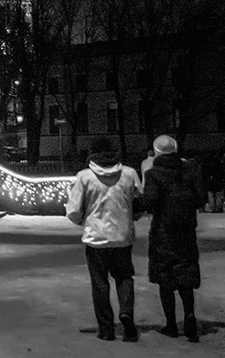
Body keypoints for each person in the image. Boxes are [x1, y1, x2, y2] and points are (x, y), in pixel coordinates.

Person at [66, 137, 142, 342]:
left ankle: (106, 328)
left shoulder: (84, 177)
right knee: (124, 277)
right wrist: (130, 216)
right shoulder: (129, 173)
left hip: (95, 238)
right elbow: (139, 203)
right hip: (122, 237)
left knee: (99, 283)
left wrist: (85, 220)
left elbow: (73, 211)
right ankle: (127, 316)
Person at [143, 135, 205, 343]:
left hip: (164, 231)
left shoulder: (154, 174)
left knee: (165, 277)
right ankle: (189, 315)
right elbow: (200, 198)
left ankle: (171, 324)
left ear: (156, 152)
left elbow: (151, 200)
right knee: (185, 273)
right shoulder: (189, 171)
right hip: (186, 230)